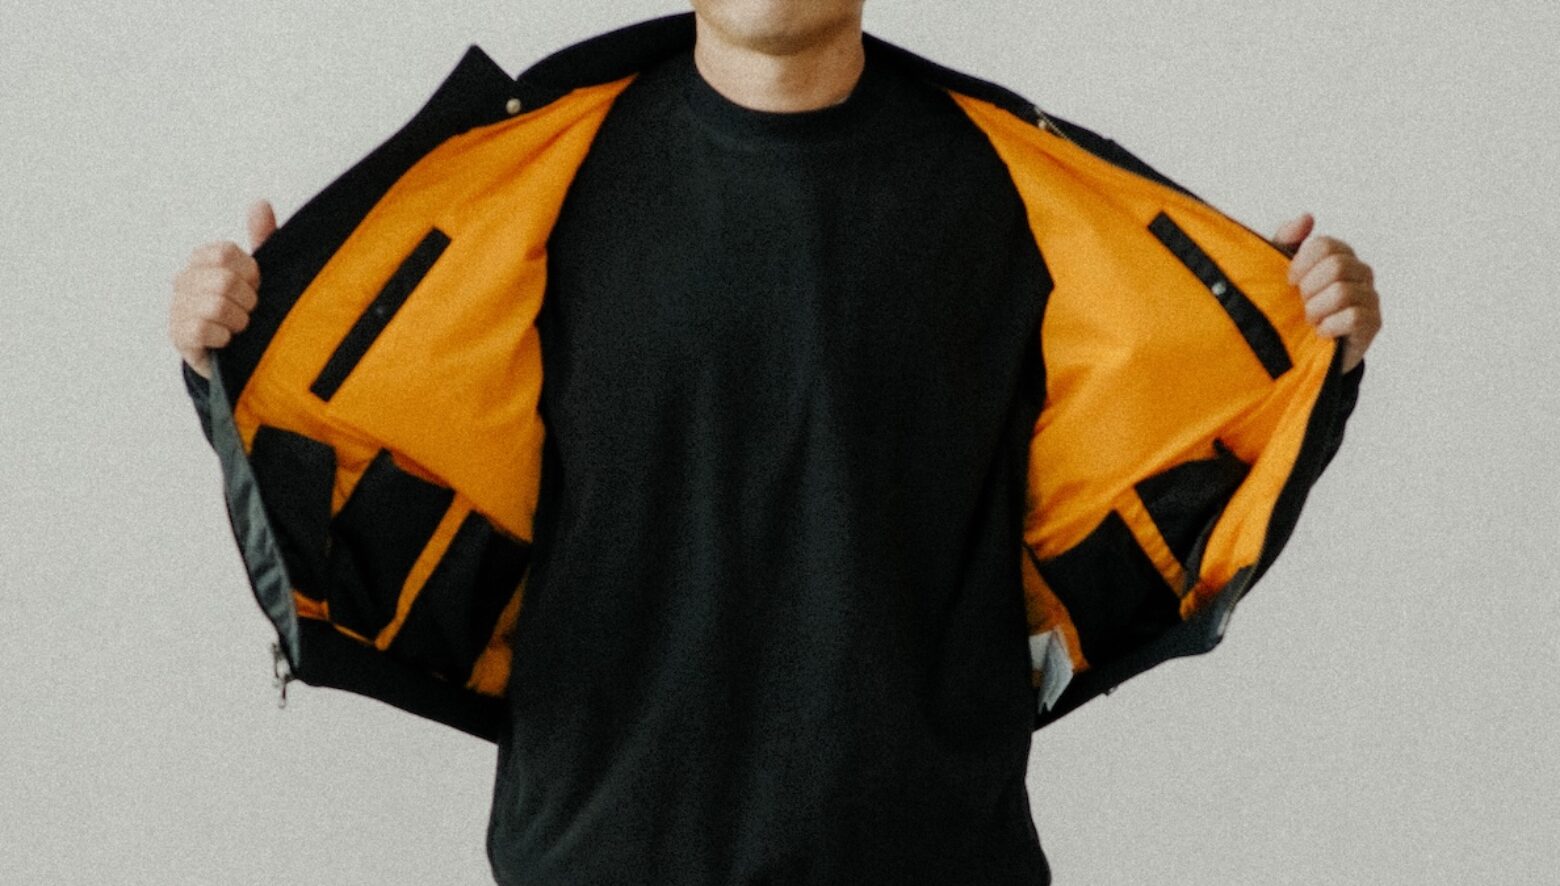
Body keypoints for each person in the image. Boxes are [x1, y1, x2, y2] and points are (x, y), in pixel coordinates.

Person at [169, 3, 1381, 884]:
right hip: (595, 863)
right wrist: (238, 340)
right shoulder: (540, 182)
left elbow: (1175, 456)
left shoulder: (1010, 194)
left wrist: (1307, 338)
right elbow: (358, 440)